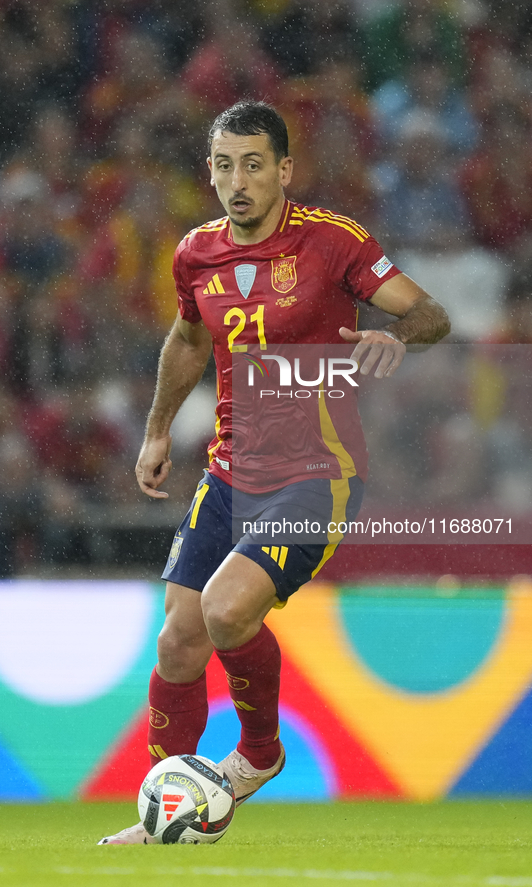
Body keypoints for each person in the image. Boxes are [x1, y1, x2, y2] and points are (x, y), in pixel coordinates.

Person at [99, 100, 450, 845]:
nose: (238, 181)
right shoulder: (196, 252)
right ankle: (166, 805)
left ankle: (258, 754)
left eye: (253, 164)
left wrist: (394, 335)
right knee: (177, 641)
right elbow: (188, 339)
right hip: (230, 470)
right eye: (224, 166)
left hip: (316, 473)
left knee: (228, 610)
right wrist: (157, 431)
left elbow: (429, 315)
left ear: (284, 170)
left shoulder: (331, 243)